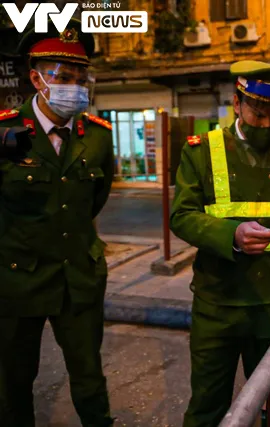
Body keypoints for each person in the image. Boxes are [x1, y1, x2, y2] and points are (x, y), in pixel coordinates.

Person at [170, 60, 270, 426]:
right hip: (219, 301)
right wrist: (230, 235)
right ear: (237, 103)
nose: (268, 124)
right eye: (259, 113)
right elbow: (182, 215)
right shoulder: (201, 149)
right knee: (207, 405)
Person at [0, 19, 115, 426]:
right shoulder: (7, 132)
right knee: (13, 382)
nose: (76, 87)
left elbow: (90, 203)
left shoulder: (98, 136)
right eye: (65, 77)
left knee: (89, 378)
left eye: (82, 78)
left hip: (78, 279)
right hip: (17, 280)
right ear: (36, 78)